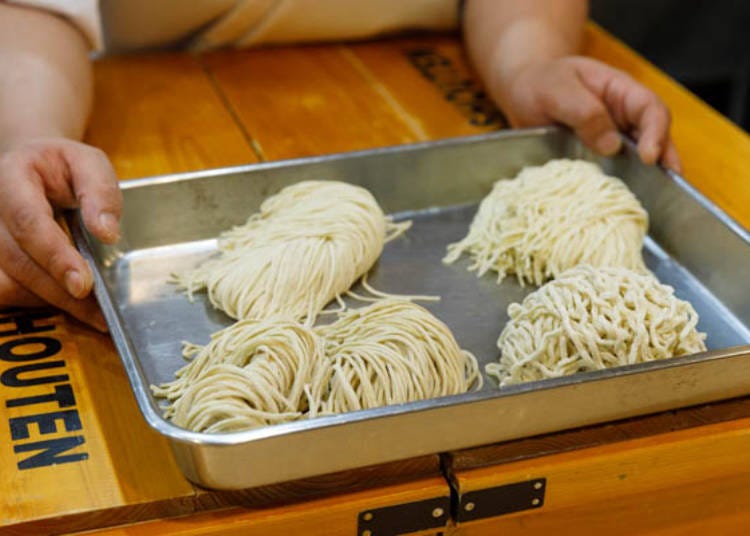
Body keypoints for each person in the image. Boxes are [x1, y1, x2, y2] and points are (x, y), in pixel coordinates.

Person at [0, 0, 679, 331]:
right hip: (151, 101)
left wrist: (529, 62)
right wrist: (32, 137)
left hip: (438, 84)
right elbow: (35, 12)